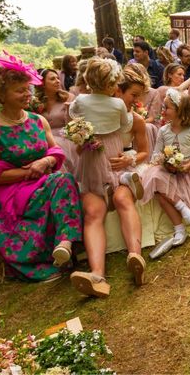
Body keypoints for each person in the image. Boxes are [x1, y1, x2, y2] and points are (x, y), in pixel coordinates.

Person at [0, 52, 83, 282]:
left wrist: (46, 161)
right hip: (13, 191)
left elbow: (56, 151)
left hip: (43, 181)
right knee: (61, 181)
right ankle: (66, 243)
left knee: (62, 179)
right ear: (1, 95)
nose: (27, 94)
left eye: (27, 88)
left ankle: (64, 244)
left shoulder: (37, 120)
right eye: (19, 90)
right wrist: (27, 172)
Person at [68, 58, 146, 297]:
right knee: (95, 210)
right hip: (111, 158)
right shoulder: (117, 105)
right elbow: (122, 126)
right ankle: (104, 271)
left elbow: (74, 119)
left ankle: (118, 264)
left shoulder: (80, 101)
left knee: (113, 205)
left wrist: (87, 133)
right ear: (114, 84)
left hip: (94, 162)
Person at [140, 90, 190, 250]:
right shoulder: (163, 131)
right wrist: (164, 162)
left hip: (187, 171)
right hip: (168, 171)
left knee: (163, 198)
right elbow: (156, 153)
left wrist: (189, 165)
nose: (163, 111)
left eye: (167, 107)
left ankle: (180, 227)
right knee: (155, 178)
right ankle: (181, 218)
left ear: (179, 110)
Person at [34, 69, 78, 173]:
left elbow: (73, 124)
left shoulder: (68, 98)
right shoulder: (35, 101)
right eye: (52, 79)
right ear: (43, 83)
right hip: (42, 138)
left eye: (58, 78)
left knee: (57, 147)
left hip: (64, 136)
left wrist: (68, 110)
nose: (58, 81)